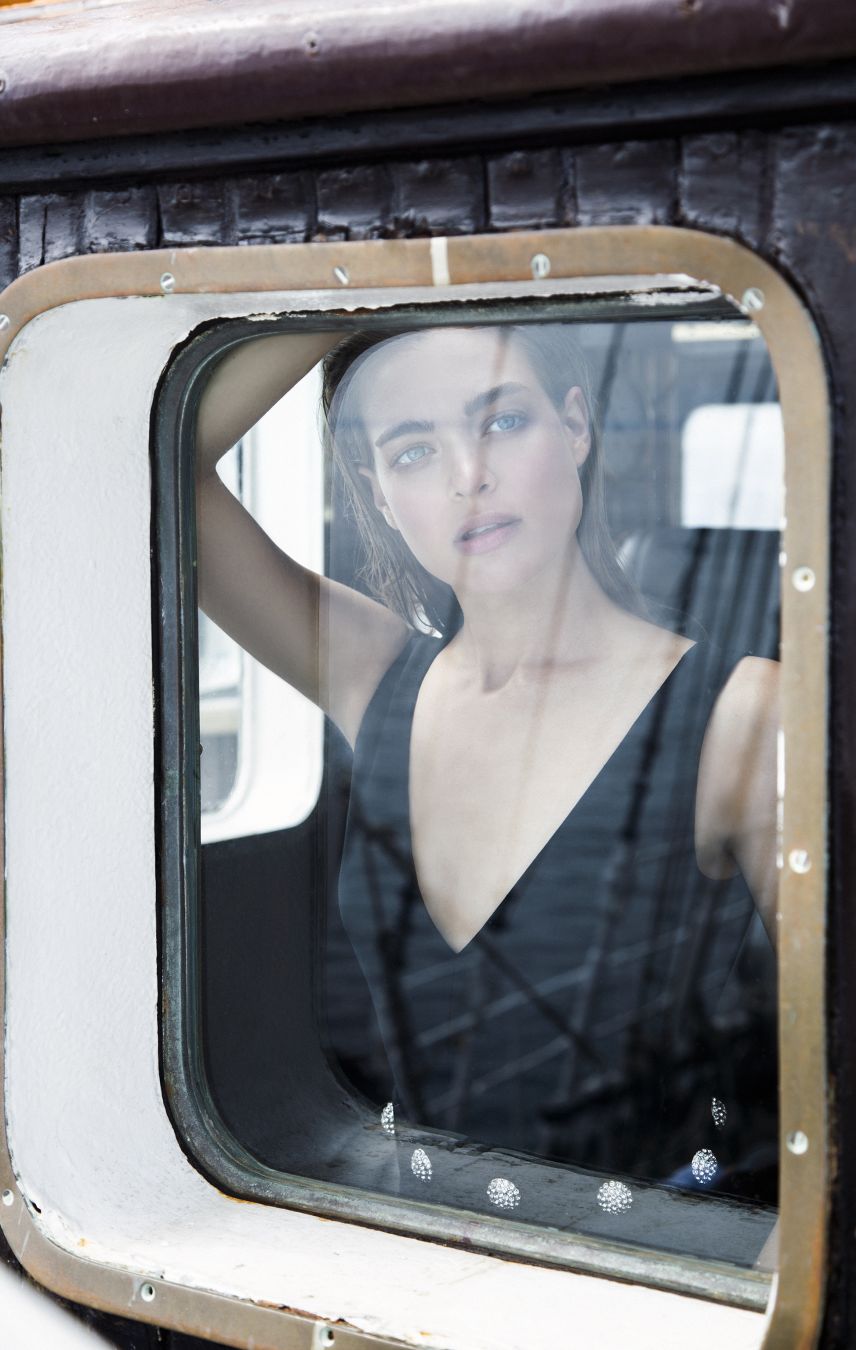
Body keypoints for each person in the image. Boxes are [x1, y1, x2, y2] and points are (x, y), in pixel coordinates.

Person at [196, 321, 778, 1197]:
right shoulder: (373, 674)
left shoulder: (744, 713)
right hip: (418, 1250)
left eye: (502, 422)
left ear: (575, 426)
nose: (468, 476)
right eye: (413, 451)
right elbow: (153, 459)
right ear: (378, 495)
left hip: (669, 1260)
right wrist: (358, 278)